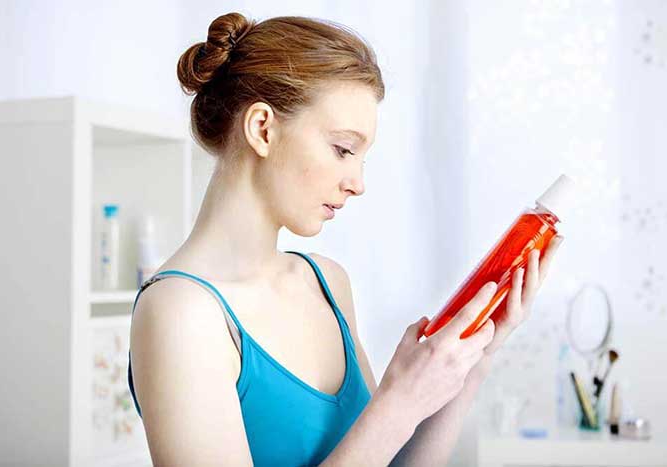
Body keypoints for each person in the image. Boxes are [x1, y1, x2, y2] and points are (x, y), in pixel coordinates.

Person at [127, 12, 563, 466]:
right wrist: (399, 404)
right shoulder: (179, 312)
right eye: (342, 149)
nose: (357, 183)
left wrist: (476, 356)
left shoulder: (327, 282)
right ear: (262, 129)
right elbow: (388, 425)